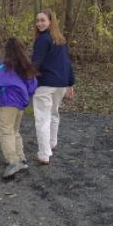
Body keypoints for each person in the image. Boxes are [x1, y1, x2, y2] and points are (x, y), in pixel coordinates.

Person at [0, 38, 38, 178]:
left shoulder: (4, 68)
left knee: (5, 131)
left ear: (7, 51)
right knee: (15, 131)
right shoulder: (25, 67)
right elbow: (33, 85)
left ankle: (13, 161)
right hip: (21, 104)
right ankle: (21, 158)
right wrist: (25, 95)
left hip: (8, 103)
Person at [32, 9, 75, 165]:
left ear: (51, 21)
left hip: (46, 84)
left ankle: (44, 153)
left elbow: (35, 63)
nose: (39, 23)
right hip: (60, 84)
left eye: (43, 20)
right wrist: (70, 82)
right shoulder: (60, 39)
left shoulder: (43, 39)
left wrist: (25, 78)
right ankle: (51, 143)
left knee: (42, 118)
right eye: (37, 21)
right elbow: (68, 63)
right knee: (54, 114)